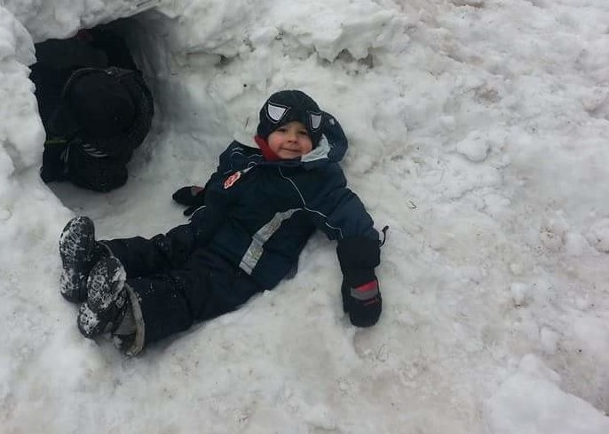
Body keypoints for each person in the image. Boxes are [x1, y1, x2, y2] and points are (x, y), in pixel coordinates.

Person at [57, 90, 385, 355]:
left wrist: (361, 277)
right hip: (204, 230)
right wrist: (205, 195)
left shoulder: (315, 181)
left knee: (187, 290)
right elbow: (227, 181)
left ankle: (120, 313)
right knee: (160, 249)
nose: (291, 139)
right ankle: (91, 262)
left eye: (302, 134)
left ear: (314, 143)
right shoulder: (246, 155)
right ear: (266, 134)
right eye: (283, 131)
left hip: (239, 265)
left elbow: (350, 219)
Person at [30, 23, 153, 192]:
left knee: (39, 81)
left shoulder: (94, 160)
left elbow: (107, 180)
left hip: (62, 103)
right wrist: (98, 37)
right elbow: (119, 53)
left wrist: (57, 164)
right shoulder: (135, 94)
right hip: (78, 96)